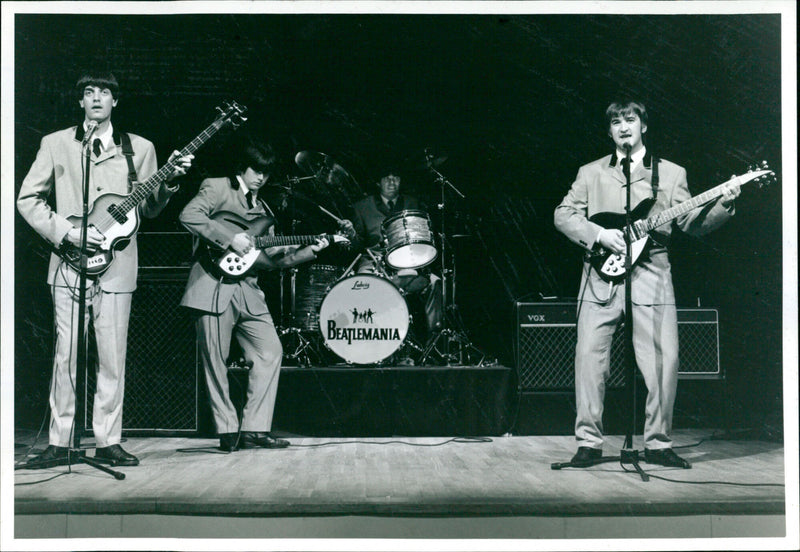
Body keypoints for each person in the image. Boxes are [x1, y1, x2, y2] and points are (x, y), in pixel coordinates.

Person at [17, 71, 193, 468]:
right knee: (67, 354)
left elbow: (149, 207)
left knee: (112, 357)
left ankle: (108, 439)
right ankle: (60, 441)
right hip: (68, 264)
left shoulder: (140, 149)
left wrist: (169, 183)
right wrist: (66, 233)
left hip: (117, 267)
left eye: (105, 92)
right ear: (80, 101)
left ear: (116, 101)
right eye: (89, 92)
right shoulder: (56, 144)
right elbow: (28, 199)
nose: (97, 98)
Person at [553, 100, 741, 469]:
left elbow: (692, 224)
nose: (624, 127)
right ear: (609, 131)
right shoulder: (590, 173)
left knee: (662, 360)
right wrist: (598, 234)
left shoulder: (671, 174)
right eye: (616, 122)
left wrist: (723, 204)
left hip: (652, 273)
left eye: (631, 120)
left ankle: (657, 443)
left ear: (643, 126)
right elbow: (563, 213)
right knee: (589, 359)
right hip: (599, 277)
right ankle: (589, 443)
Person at [179, 139, 329, 452]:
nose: (260, 177)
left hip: (248, 289)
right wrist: (229, 238)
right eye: (255, 170)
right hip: (211, 285)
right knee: (215, 362)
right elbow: (189, 216)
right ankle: (227, 430)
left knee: (270, 351)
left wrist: (309, 250)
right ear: (242, 168)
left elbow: (273, 260)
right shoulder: (217, 187)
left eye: (266, 173)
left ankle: (255, 429)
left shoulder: (264, 210)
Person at [340, 171, 443, 361]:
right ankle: (372, 349)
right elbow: (357, 245)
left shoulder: (413, 203)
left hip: (407, 260)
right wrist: (351, 233)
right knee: (362, 286)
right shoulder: (362, 207)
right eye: (386, 177)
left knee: (435, 283)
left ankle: (432, 347)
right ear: (378, 182)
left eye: (396, 177)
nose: (391, 181)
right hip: (373, 260)